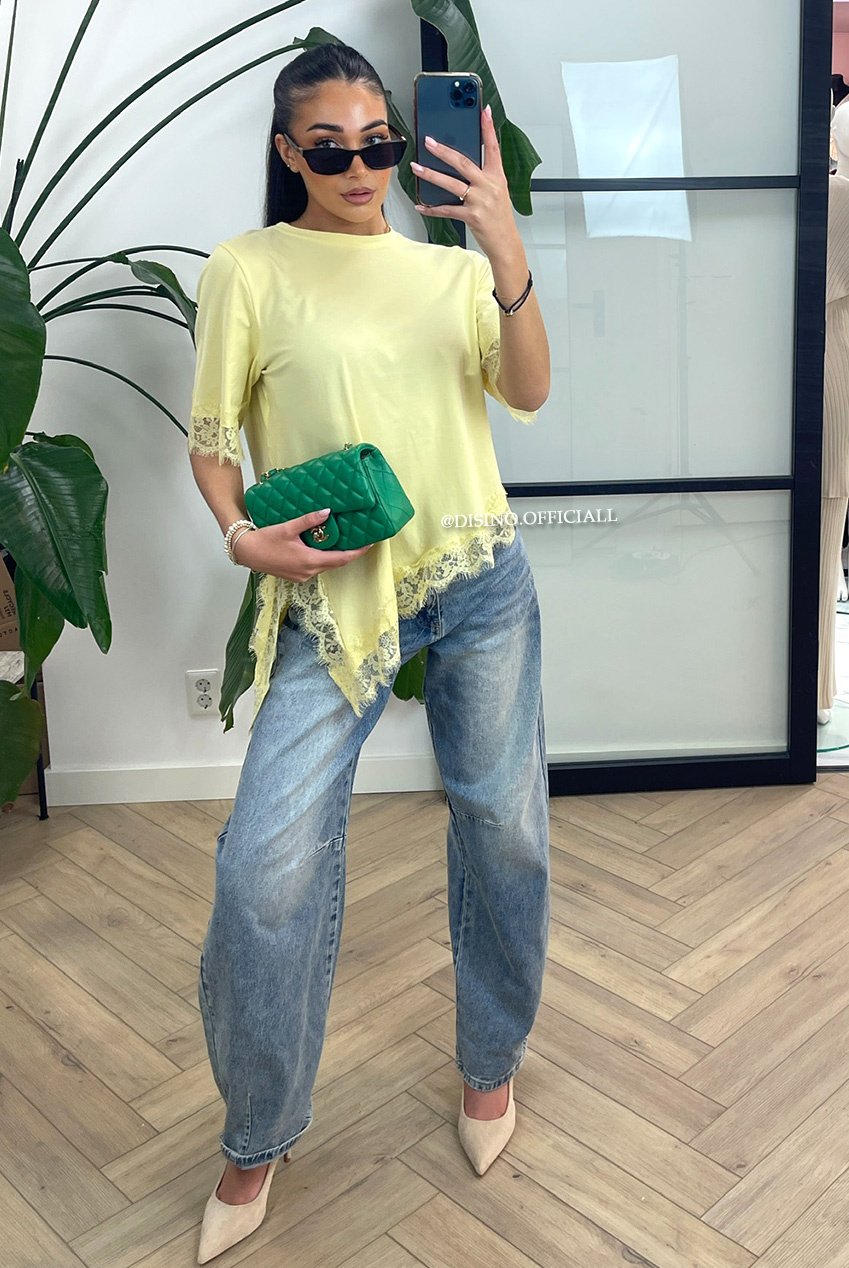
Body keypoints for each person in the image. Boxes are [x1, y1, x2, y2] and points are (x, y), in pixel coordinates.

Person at [187, 42, 551, 1263]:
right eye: (331, 148)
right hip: (331, 595)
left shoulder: (450, 272)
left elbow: (530, 393)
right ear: (288, 152)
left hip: (476, 580)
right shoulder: (247, 269)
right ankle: (257, 1128)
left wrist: (503, 250)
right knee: (264, 870)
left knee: (504, 826)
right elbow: (212, 440)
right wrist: (240, 536)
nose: (361, 166)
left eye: (380, 142)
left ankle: (491, 1057)